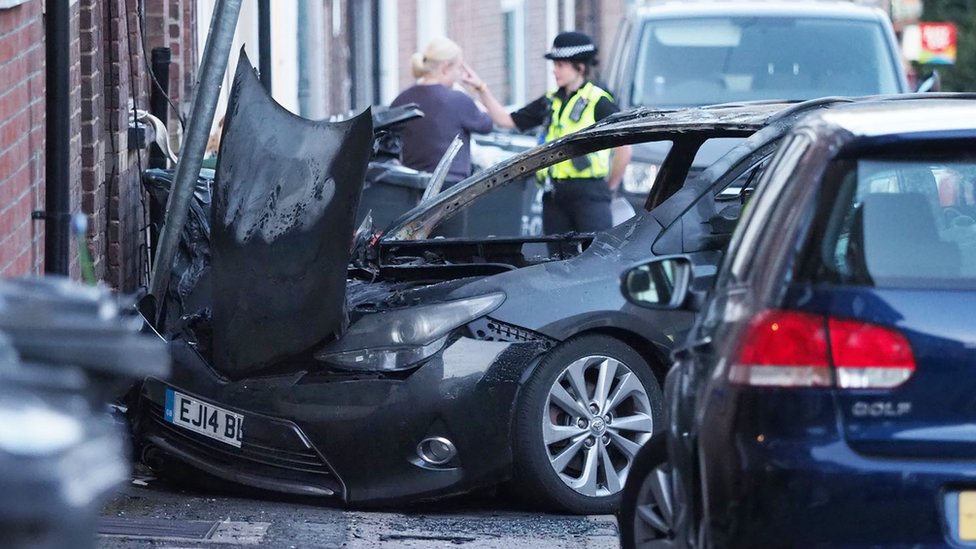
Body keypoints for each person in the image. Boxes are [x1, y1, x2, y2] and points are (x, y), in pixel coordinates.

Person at [463, 31, 631, 235]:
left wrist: (610, 186)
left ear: (579, 67)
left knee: (595, 256)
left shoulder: (599, 101)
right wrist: (481, 89)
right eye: (554, 66)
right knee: (557, 260)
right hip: (555, 195)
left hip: (589, 194)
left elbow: (624, 147)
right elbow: (505, 120)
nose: (555, 71)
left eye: (560, 65)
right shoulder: (551, 101)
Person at [391, 37, 493, 237]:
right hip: (451, 191)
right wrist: (476, 90)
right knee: (448, 257)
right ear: (446, 68)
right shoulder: (457, 100)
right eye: (458, 70)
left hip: (411, 192)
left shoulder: (401, 100)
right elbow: (487, 124)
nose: (458, 76)